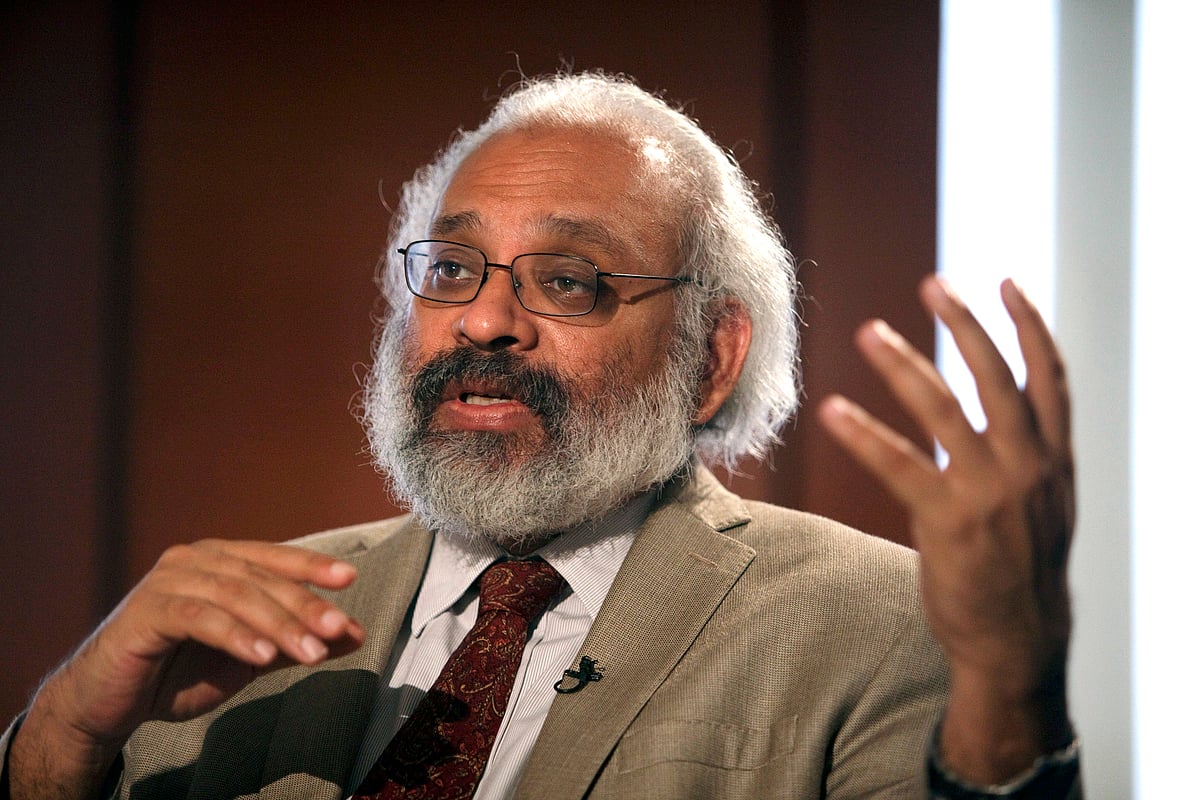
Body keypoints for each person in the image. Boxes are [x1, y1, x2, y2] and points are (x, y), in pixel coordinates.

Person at [0, 71, 1080, 799]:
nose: (483, 320)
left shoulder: (885, 623)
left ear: (710, 355)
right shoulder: (238, 624)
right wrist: (65, 738)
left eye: (568, 279)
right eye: (454, 269)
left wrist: (1010, 691)